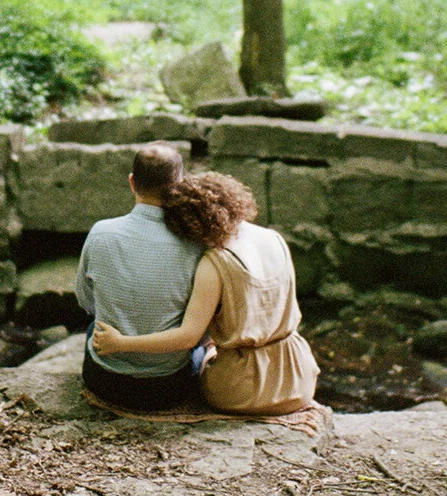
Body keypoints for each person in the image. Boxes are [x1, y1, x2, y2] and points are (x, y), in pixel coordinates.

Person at [92, 172, 319, 416]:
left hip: (245, 390)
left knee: (197, 355)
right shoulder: (274, 238)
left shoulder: (215, 262)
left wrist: (121, 343)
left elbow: (187, 337)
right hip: (299, 379)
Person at [74, 143, 204, 410]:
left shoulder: (100, 232)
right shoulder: (195, 244)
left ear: (132, 182)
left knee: (93, 327)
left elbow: (85, 300)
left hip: (105, 380)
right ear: (180, 185)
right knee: (202, 348)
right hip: (168, 387)